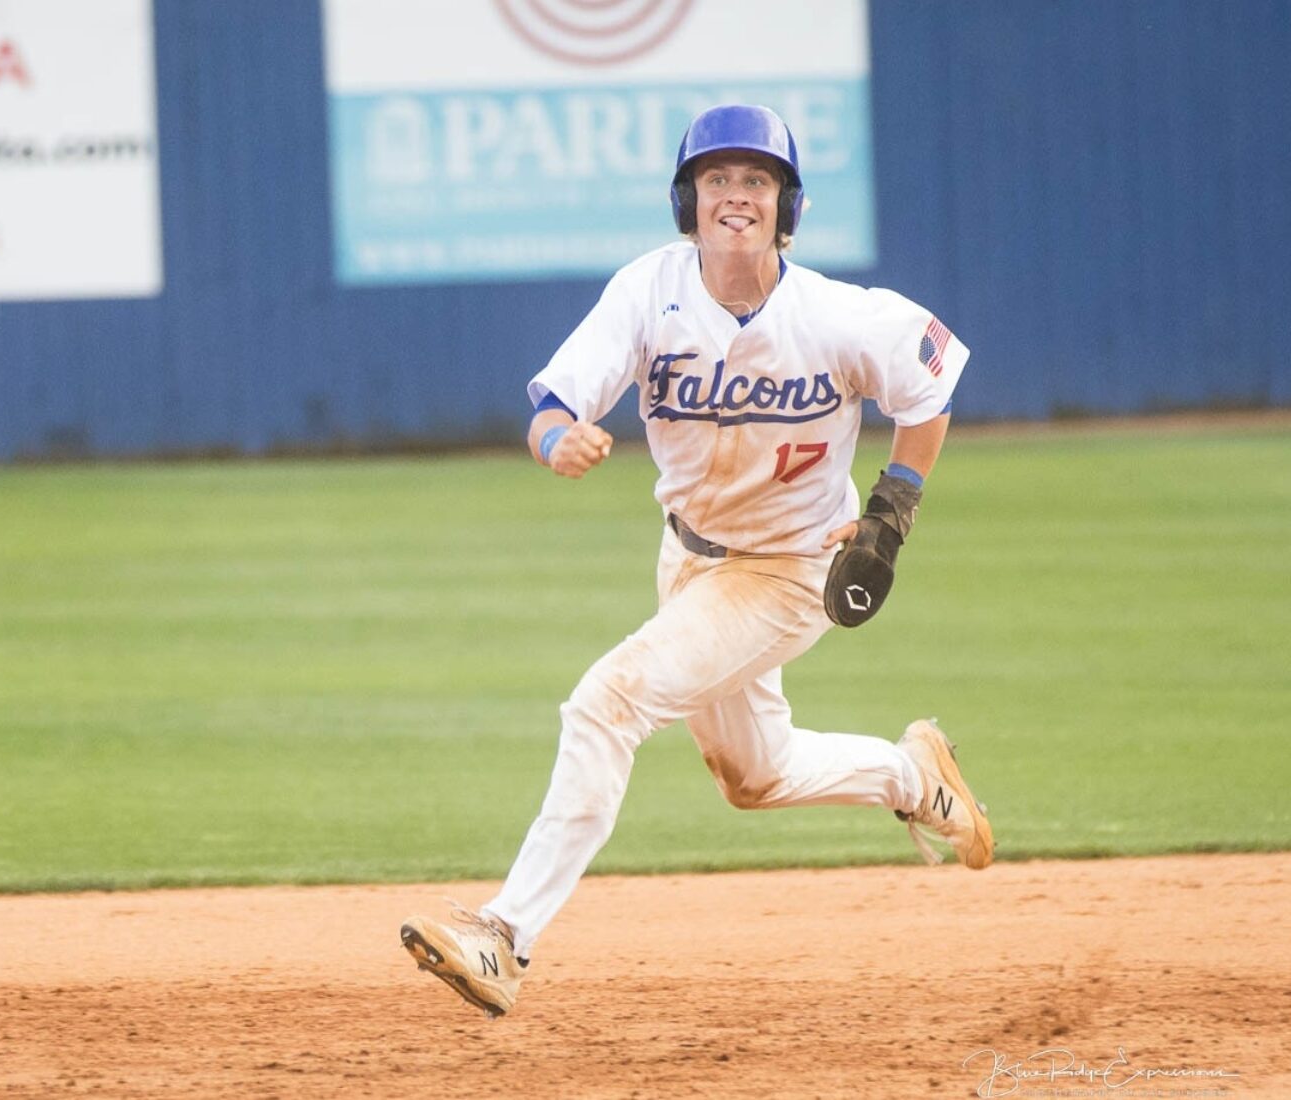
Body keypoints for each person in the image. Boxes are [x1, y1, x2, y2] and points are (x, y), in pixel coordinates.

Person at [399, 104, 994, 1019]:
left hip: (790, 570)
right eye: (717, 179)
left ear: (785, 205)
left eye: (756, 180)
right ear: (690, 199)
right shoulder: (650, 291)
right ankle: (914, 778)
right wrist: (557, 436)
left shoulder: (836, 315)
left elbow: (933, 377)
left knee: (608, 700)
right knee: (755, 777)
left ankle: (504, 935)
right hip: (688, 559)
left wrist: (894, 506)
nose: (735, 196)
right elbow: (554, 404)